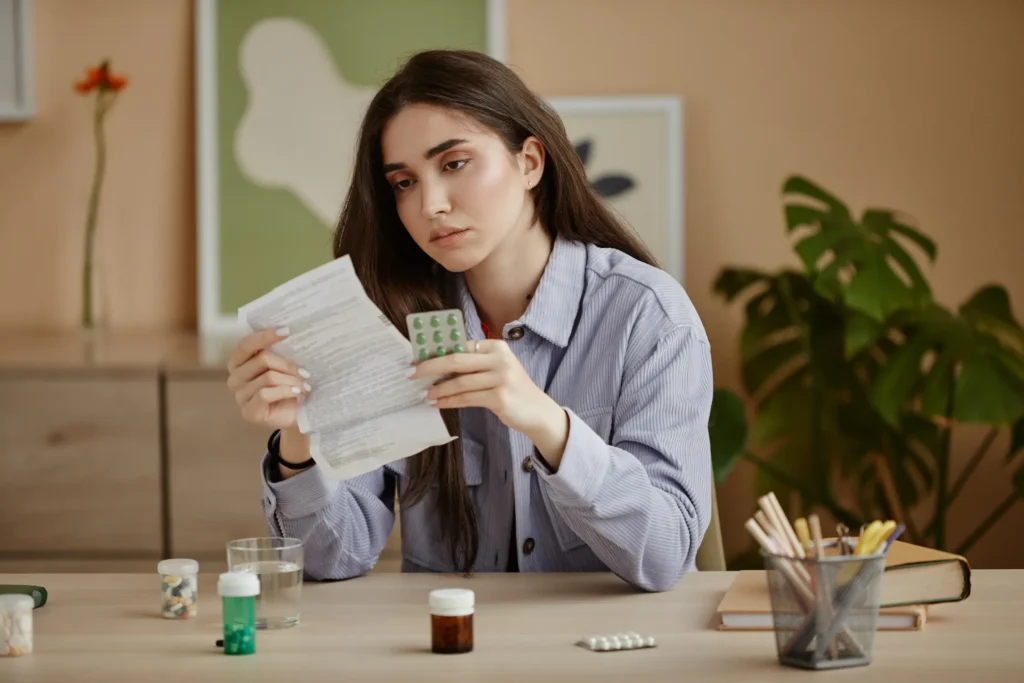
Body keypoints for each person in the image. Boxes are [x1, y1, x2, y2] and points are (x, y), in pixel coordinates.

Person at [225, 49, 713, 593]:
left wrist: (546, 423)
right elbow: (330, 558)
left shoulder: (648, 316)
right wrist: (299, 434)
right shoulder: (388, 320)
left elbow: (667, 553)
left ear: (529, 162)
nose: (430, 203)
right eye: (403, 182)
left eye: (454, 163)